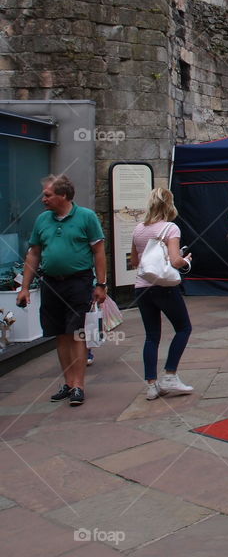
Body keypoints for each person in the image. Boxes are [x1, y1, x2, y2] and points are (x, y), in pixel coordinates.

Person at [17, 174, 107, 407]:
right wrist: (24, 288)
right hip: (50, 283)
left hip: (78, 282)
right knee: (60, 333)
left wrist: (101, 284)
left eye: (47, 195)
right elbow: (34, 253)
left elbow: (98, 251)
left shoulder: (86, 217)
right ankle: (68, 382)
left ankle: (79, 385)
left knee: (76, 332)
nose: (43, 199)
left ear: (63, 195)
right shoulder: (42, 220)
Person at [130, 188, 194, 400]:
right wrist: (186, 260)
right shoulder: (170, 228)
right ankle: (170, 375)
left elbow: (135, 262)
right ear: (169, 205)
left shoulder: (138, 229)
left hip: (141, 286)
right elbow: (176, 261)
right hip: (163, 286)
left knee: (151, 336)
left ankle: (151, 385)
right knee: (183, 328)